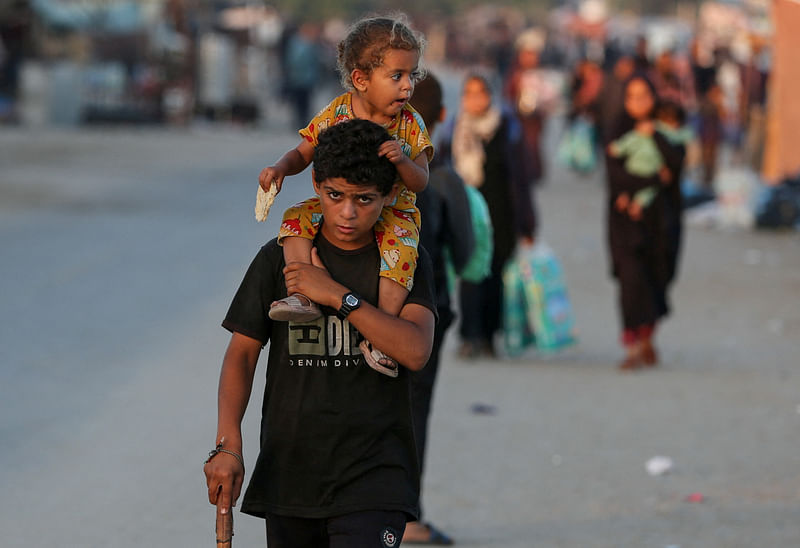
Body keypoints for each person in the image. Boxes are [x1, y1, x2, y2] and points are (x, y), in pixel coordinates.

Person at [204, 119, 437, 547]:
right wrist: (227, 444)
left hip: (375, 475)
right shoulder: (278, 257)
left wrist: (337, 296)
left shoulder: (404, 259)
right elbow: (242, 353)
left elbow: (415, 349)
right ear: (315, 183)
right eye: (335, 196)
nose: (348, 213)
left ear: (388, 195)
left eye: (364, 200)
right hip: (291, 472)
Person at [257, 15, 433, 375]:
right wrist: (278, 169)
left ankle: (380, 331)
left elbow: (420, 183)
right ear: (360, 79)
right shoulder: (336, 111)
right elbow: (302, 153)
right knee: (295, 217)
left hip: (392, 213)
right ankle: (303, 293)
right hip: (340, 208)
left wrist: (401, 161)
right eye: (396, 76)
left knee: (399, 255)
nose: (407, 88)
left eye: (411, 76)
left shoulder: (410, 124)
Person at [402, 73, 474, 545]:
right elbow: (467, 254)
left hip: (361, 314)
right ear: (442, 117)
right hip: (425, 317)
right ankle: (407, 518)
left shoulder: (368, 169)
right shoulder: (444, 181)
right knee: (413, 414)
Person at [437, 74, 536, 358]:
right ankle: (470, 336)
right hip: (465, 214)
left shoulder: (507, 128)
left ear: (490, 96)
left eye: (480, 92)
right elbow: (442, 173)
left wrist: (527, 222)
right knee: (469, 274)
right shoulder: (454, 130)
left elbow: (521, 179)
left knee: (495, 277)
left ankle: (491, 336)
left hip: (501, 214)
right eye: (469, 93)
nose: (474, 98)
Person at [604, 75, 685, 370]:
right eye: (632, 97)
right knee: (629, 281)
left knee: (657, 279)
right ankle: (632, 344)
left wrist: (655, 136)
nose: (638, 103)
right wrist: (652, 180)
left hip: (661, 221)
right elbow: (615, 174)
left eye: (644, 97)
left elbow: (677, 164)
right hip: (624, 221)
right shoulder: (617, 129)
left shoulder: (666, 125)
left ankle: (648, 335)